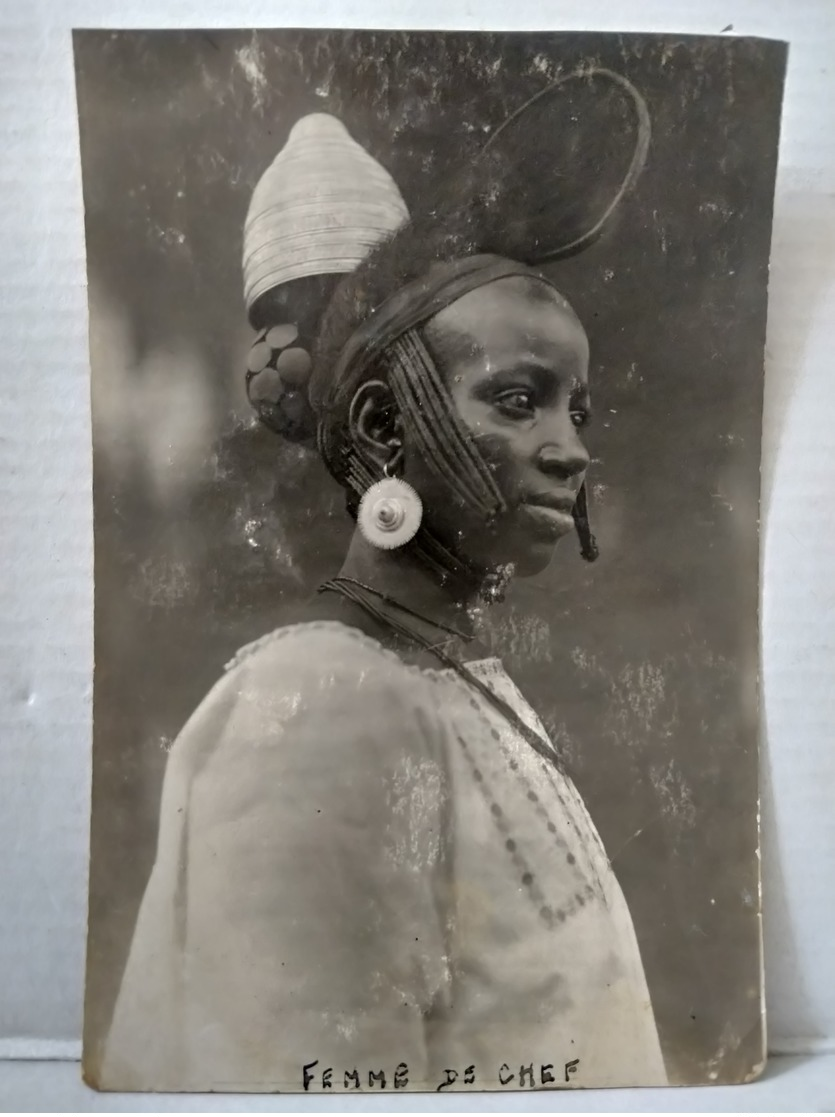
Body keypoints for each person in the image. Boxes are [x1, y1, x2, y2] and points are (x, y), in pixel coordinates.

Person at [97, 69, 667, 1093]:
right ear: (377, 427)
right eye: (516, 399)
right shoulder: (316, 708)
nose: (568, 451)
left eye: (574, 412)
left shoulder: (455, 682)